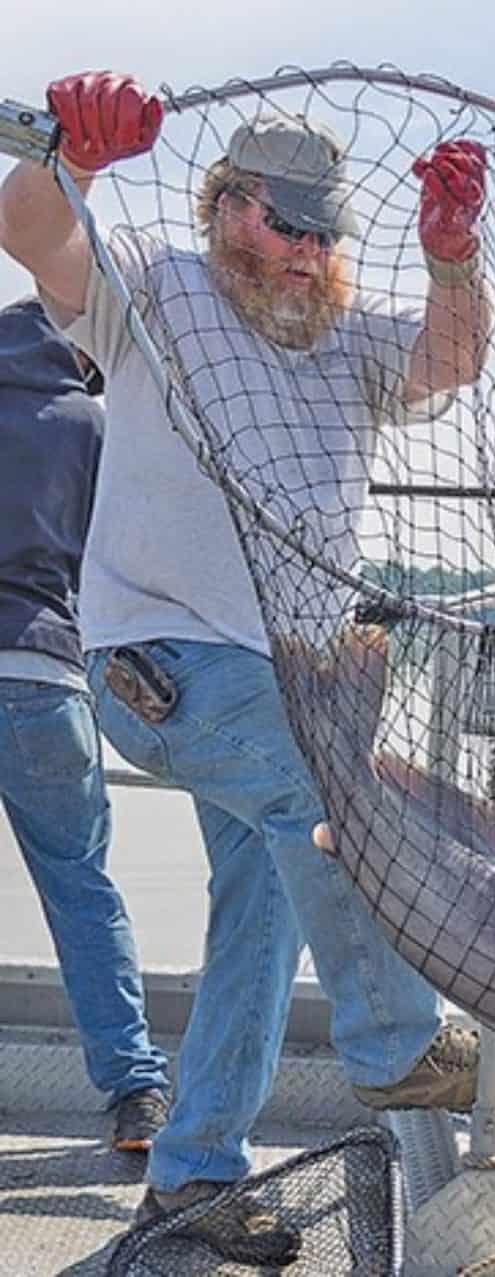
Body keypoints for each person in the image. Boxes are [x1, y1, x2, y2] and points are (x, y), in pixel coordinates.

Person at [0, 70, 495, 1236]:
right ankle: (397, 1043)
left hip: (291, 670)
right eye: (280, 223)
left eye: (322, 231)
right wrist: (76, 160)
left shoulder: (344, 332)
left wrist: (452, 255)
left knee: (263, 911)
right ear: (223, 204)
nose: (301, 251)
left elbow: (451, 361)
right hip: (165, 664)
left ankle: (193, 1172)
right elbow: (31, 230)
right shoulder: (153, 285)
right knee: (324, 789)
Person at [0, 295, 171, 1151]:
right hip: (39, 673)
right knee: (80, 887)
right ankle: (136, 1092)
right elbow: (118, 560)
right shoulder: (90, 424)